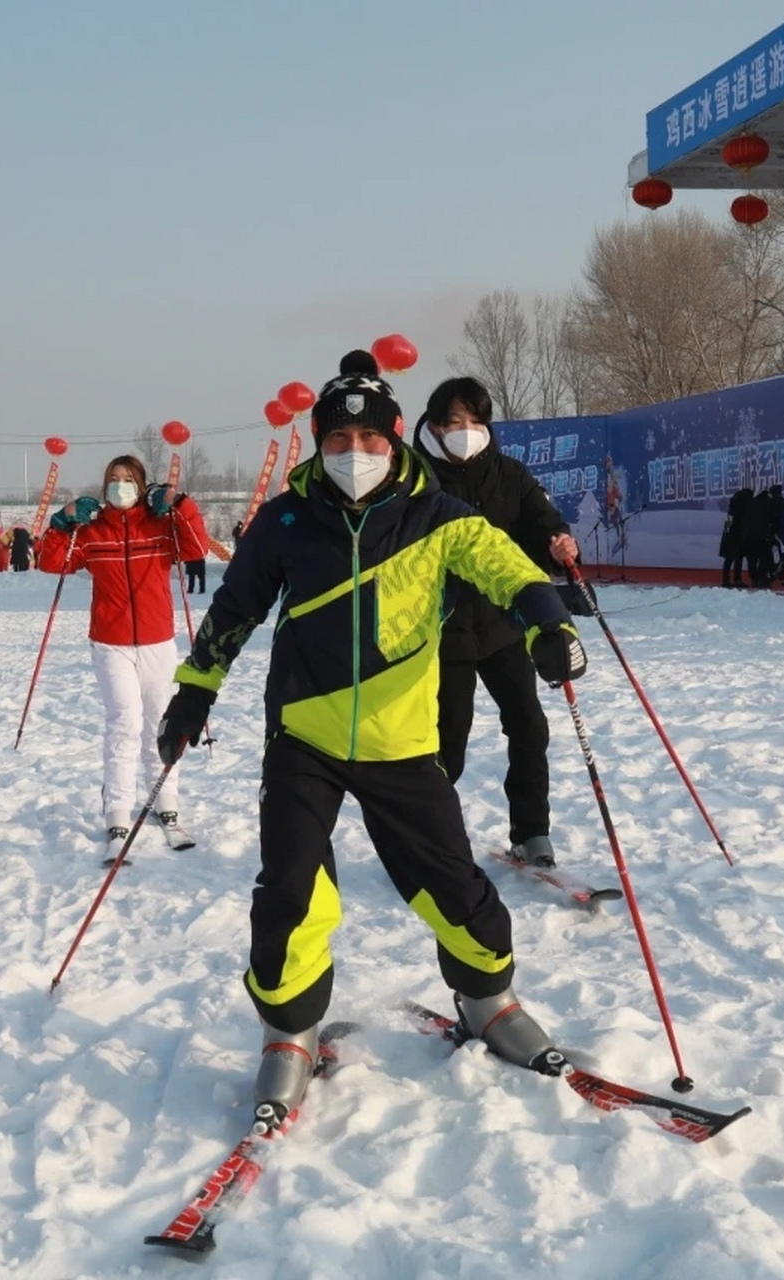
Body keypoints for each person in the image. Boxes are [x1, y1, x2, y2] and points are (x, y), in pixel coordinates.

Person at [155, 352, 588, 1128]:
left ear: (397, 441)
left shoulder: (440, 516)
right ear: (318, 445)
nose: (355, 454)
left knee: (456, 888)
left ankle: (487, 998)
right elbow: (237, 606)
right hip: (304, 737)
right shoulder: (287, 517)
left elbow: (506, 567)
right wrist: (194, 690)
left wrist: (547, 624)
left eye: (371, 439)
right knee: (289, 891)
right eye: (338, 439)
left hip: (400, 742)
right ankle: (289, 1032)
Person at [412, 375, 579, 870]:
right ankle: (427, 838)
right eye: (456, 422)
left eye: (476, 421)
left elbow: (543, 521)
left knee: (529, 726)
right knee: (448, 741)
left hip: (505, 627)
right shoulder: (416, 479)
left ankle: (532, 833)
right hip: (444, 633)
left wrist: (559, 541)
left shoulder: (509, 473)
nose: (467, 430)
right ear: (436, 426)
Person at [37, 456, 209, 858]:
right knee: (125, 723)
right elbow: (51, 562)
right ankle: (117, 811)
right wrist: (61, 522)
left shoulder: (159, 526)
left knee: (159, 724)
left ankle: (166, 804)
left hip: (156, 642)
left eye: (128, 480)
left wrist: (179, 503)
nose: (120, 487)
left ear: (142, 486)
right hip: (111, 643)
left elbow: (198, 548)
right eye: (113, 480)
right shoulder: (94, 531)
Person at [719, 488, 753, 587]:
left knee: (729, 559)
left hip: (730, 535)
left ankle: (726, 580)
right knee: (738, 558)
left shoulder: (733, 507)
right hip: (739, 535)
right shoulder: (744, 509)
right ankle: (736, 579)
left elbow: (729, 523)